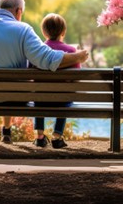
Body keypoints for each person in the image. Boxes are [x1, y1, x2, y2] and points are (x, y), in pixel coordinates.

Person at [0, 0, 88, 145]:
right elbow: (46, 59)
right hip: (13, 100)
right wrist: (77, 56)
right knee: (12, 87)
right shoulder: (23, 30)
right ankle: (6, 130)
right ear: (18, 11)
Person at [33, 13, 80, 149]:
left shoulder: (37, 51)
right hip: (62, 100)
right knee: (65, 96)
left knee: (38, 96)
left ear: (43, 32)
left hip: (40, 99)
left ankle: (40, 136)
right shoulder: (71, 51)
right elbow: (75, 77)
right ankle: (57, 136)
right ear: (63, 32)